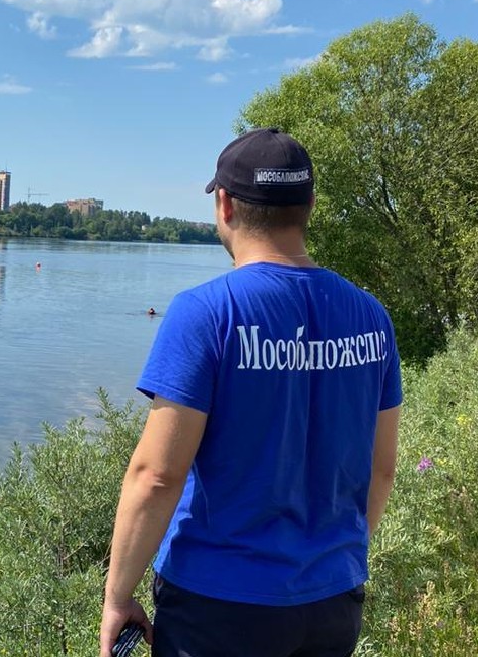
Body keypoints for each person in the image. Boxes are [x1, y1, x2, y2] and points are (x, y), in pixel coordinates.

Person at [99, 128, 402, 657]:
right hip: (331, 601)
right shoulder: (371, 317)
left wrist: (117, 597)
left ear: (225, 205)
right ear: (308, 203)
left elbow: (157, 476)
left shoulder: (206, 313)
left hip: (218, 604)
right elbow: (381, 470)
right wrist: (334, 560)